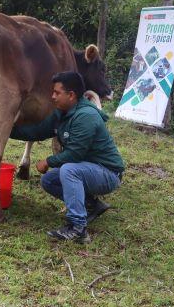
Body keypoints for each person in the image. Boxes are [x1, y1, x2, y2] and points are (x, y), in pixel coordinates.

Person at [10, 71, 124, 243]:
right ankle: (91, 205)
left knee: (69, 170)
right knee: (49, 180)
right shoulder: (62, 113)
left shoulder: (86, 116)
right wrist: (6, 130)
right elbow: (38, 131)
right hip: (88, 168)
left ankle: (78, 228)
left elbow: (75, 154)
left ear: (71, 95)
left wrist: (48, 161)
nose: (53, 96)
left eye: (57, 93)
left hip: (107, 173)